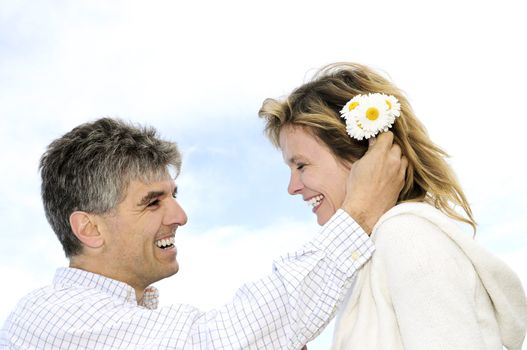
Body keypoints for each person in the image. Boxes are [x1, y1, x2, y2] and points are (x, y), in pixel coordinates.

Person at [0, 117, 405, 349]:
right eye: (152, 201)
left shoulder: (123, 320)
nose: (180, 215)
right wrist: (360, 214)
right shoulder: (59, 318)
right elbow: (214, 341)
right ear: (89, 228)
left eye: (173, 196)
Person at [258, 62, 527, 350]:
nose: (292, 187)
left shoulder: (406, 237)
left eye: (301, 165)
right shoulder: (373, 256)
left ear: (360, 157)